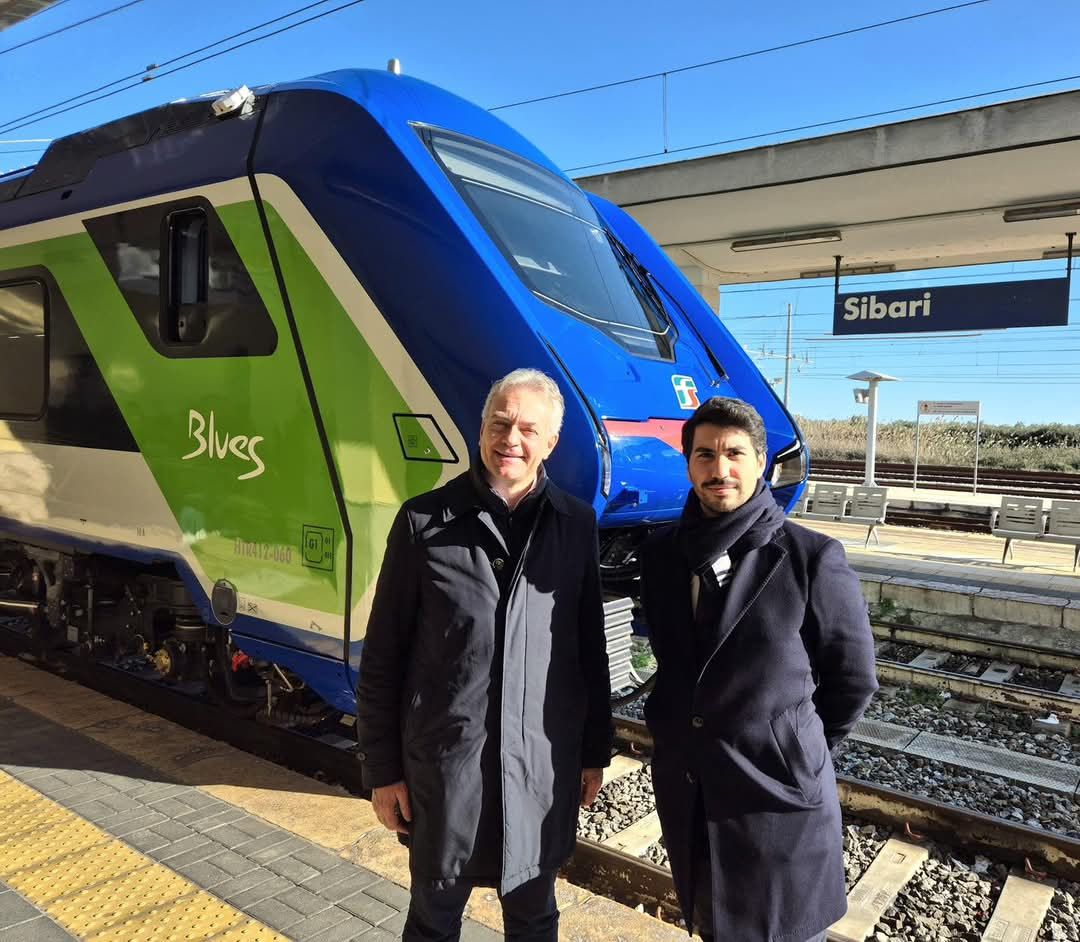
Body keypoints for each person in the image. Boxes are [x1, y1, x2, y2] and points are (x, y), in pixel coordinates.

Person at [356, 368, 613, 942]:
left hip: (537, 770)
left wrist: (594, 750)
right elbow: (383, 657)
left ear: (550, 443)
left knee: (533, 916)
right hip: (447, 771)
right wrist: (382, 768)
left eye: (528, 428)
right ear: (480, 429)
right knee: (433, 919)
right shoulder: (425, 522)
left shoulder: (575, 524)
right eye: (500, 423)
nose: (510, 439)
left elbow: (588, 650)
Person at [638, 396, 878, 942]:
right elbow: (676, 662)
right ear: (688, 463)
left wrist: (793, 746)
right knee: (711, 924)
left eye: (733, 454)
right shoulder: (661, 555)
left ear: (761, 463)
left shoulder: (810, 558)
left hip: (777, 798)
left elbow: (853, 679)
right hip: (692, 792)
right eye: (703, 455)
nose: (718, 469)